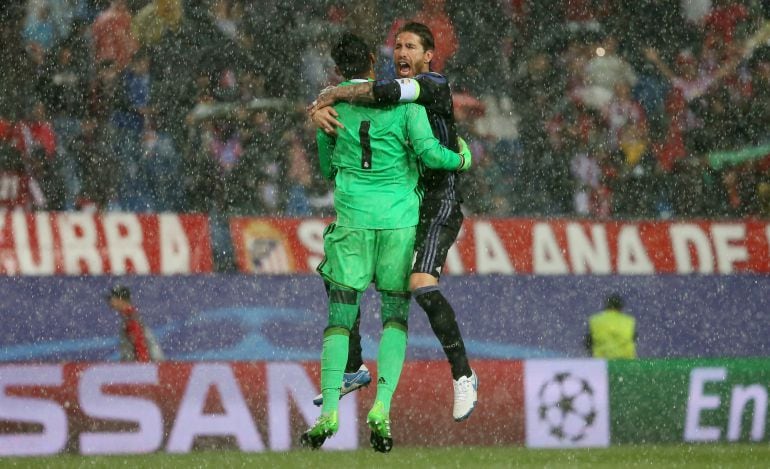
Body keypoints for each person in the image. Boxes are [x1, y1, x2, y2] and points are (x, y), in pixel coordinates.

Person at [300, 32, 471, 453]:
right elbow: (432, 155)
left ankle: (330, 412)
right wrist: (463, 157)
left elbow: (325, 168)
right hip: (398, 222)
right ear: (375, 68)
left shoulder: (331, 110)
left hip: (354, 221)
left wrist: (323, 109)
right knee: (395, 316)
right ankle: (382, 407)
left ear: (340, 72)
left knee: (340, 314)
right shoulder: (406, 107)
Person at [106, 285, 164, 362]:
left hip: (139, 366)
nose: (110, 302)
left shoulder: (130, 318)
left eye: (112, 298)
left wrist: (142, 366)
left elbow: (140, 346)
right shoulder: (130, 316)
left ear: (120, 300)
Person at [585, 294, 637, 359]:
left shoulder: (595, 320)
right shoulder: (629, 322)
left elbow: (588, 343)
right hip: (625, 363)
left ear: (606, 306)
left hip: (601, 363)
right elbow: (633, 341)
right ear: (621, 307)